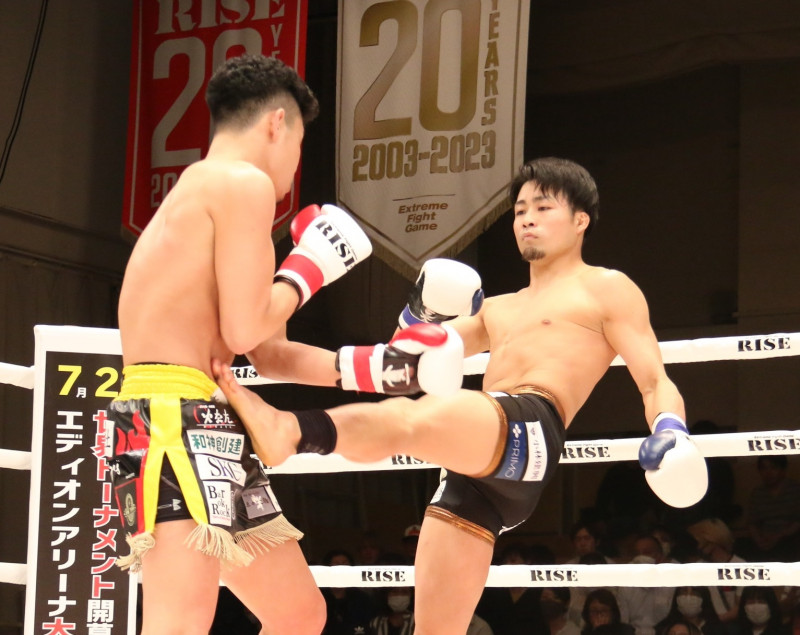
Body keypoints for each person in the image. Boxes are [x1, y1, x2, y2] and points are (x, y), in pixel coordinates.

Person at [211, 157, 709, 635]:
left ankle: (292, 429)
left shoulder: (607, 288)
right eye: (520, 210)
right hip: (477, 470)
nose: (527, 219)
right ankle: (295, 425)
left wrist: (671, 430)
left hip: (529, 427)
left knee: (415, 420)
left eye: (543, 207)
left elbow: (654, 380)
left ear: (581, 221)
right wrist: (419, 313)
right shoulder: (496, 309)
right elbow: (398, 361)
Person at [106, 53, 374, 634]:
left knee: (298, 614)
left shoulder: (209, 192)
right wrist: (307, 271)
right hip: (170, 417)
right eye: (299, 144)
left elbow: (267, 351)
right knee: (178, 623)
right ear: (277, 124)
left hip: (203, 416)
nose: (296, 164)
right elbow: (247, 330)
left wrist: (378, 369)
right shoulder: (241, 184)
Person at [741, 456, 800, 562]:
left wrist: (779, 536)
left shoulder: (795, 490)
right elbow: (752, 523)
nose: (768, 473)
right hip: (764, 538)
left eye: (773, 468)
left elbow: (797, 521)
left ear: (783, 470)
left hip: (789, 538)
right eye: (764, 468)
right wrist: (759, 540)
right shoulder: (758, 493)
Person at [687, 518, 745, 624]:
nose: (697, 546)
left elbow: (739, 607)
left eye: (699, 541)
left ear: (711, 540)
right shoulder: (698, 567)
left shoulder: (740, 566)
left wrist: (716, 622)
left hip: (728, 625)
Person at [616, 535, 675, 635]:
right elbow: (623, 622)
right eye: (637, 554)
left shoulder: (673, 580)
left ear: (659, 556)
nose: (641, 557)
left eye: (646, 553)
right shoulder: (625, 583)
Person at [321, 549, 378, 635]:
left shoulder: (362, 598)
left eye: (344, 563)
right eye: (336, 564)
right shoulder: (319, 597)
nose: (341, 567)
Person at [654, 586, 726, 635]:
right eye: (684, 592)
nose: (688, 597)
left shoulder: (717, 630)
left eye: (694, 593)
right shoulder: (663, 628)